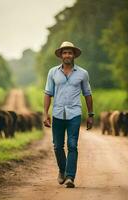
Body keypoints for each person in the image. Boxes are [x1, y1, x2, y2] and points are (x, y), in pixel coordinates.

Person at [43, 41, 94, 188]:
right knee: (58, 146)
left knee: (72, 145)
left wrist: (90, 115)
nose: (67, 55)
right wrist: (45, 113)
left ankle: (70, 177)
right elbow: (48, 93)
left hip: (74, 114)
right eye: (64, 52)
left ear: (74, 55)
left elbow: (88, 94)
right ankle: (62, 170)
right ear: (60, 55)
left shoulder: (83, 73)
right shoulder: (52, 72)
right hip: (57, 113)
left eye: (70, 53)